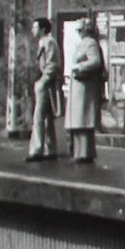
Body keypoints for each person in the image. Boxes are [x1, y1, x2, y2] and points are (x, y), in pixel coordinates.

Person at [63, 15, 107, 164]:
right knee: (79, 120)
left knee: (83, 119)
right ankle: (79, 152)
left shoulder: (90, 43)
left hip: (85, 88)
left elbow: (95, 61)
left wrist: (79, 66)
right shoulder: (84, 43)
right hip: (80, 88)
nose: (78, 33)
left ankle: (84, 153)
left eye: (80, 30)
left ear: (86, 30)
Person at [26, 16, 62, 161]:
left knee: (38, 117)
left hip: (45, 84)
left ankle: (36, 150)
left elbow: (52, 64)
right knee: (47, 117)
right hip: (46, 83)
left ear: (42, 29)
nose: (33, 30)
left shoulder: (49, 42)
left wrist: (42, 81)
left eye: (35, 27)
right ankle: (50, 148)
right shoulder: (44, 42)